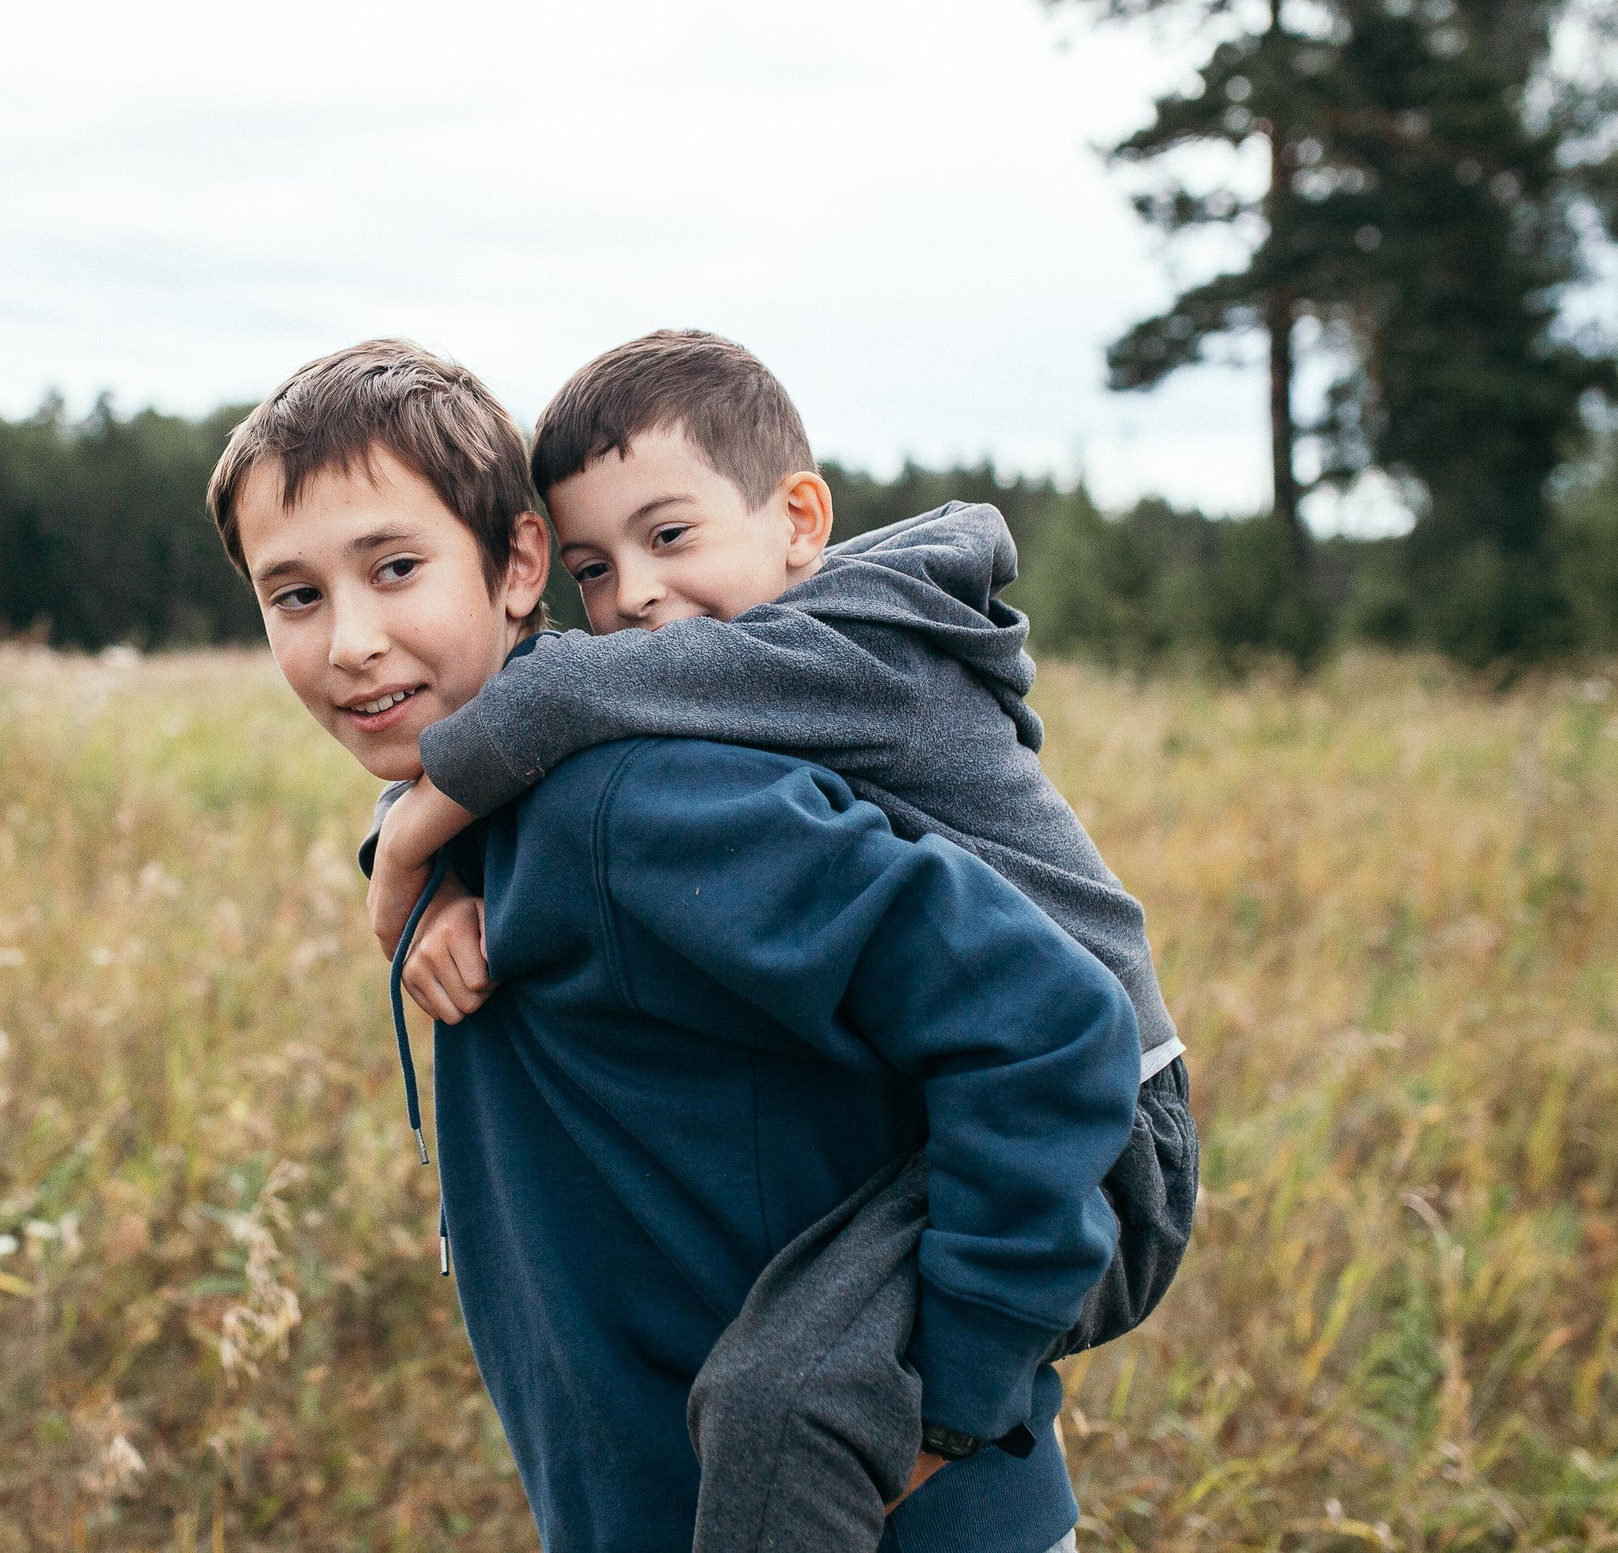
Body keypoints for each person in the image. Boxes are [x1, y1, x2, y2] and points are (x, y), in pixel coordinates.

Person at [206, 338, 1141, 1553]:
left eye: (395, 566)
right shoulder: (527, 813)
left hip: (886, 1515)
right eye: (296, 595)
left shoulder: (629, 807)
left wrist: (949, 1401)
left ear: (516, 562)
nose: (350, 640)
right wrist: (418, 864)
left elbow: (1051, 1021)